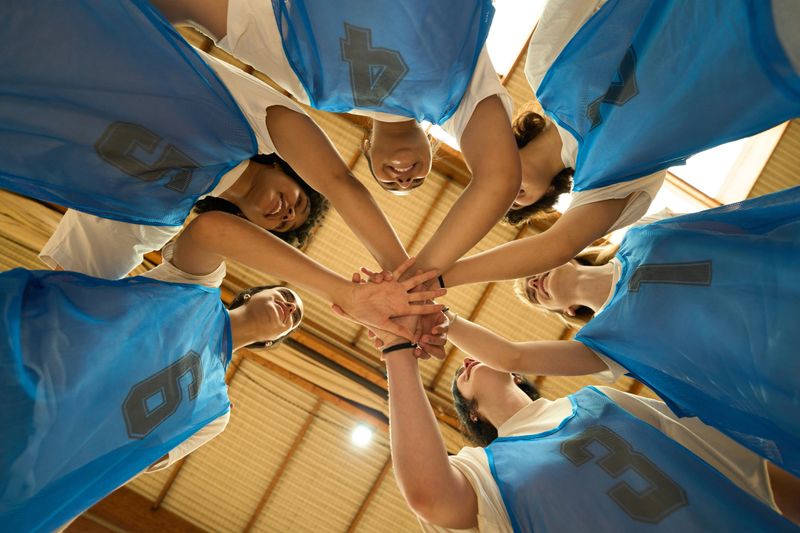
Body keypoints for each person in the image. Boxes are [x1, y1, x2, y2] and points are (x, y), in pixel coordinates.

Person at [435, 188, 800, 480]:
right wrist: (443, 319)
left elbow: (736, 229)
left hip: (782, 284)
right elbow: (512, 357)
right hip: (778, 357)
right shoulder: (607, 345)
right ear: (565, 312)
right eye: (532, 295)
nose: (533, 282)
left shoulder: (645, 232)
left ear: (558, 255)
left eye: (530, 272)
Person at [150, 0, 522, 279]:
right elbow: (499, 178)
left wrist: (405, 278)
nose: (404, 176)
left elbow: (191, 9)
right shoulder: (460, 95)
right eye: (415, 179)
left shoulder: (305, 82)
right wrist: (421, 277)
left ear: (368, 154)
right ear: (434, 145)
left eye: (393, 182)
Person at [346, 307, 800, 530]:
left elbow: (734, 461)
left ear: (518, 375)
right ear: (473, 416)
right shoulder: (483, 468)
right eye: (459, 380)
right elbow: (429, 498)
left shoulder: (599, 399)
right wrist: (397, 350)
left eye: (468, 363)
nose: (465, 365)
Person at [450, 0, 800, 286]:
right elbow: (558, 244)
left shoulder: (544, 69)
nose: (506, 194)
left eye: (493, 189)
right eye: (513, 206)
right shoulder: (603, 183)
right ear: (546, 197)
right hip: (765, 56)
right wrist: (439, 277)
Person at [0, 266, 302, 532]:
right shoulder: (200, 285)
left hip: (53, 443)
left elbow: (139, 459)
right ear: (251, 294)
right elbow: (213, 231)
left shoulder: (216, 412)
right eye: (286, 295)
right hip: (42, 371)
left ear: (272, 341)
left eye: (295, 316)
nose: (289, 307)